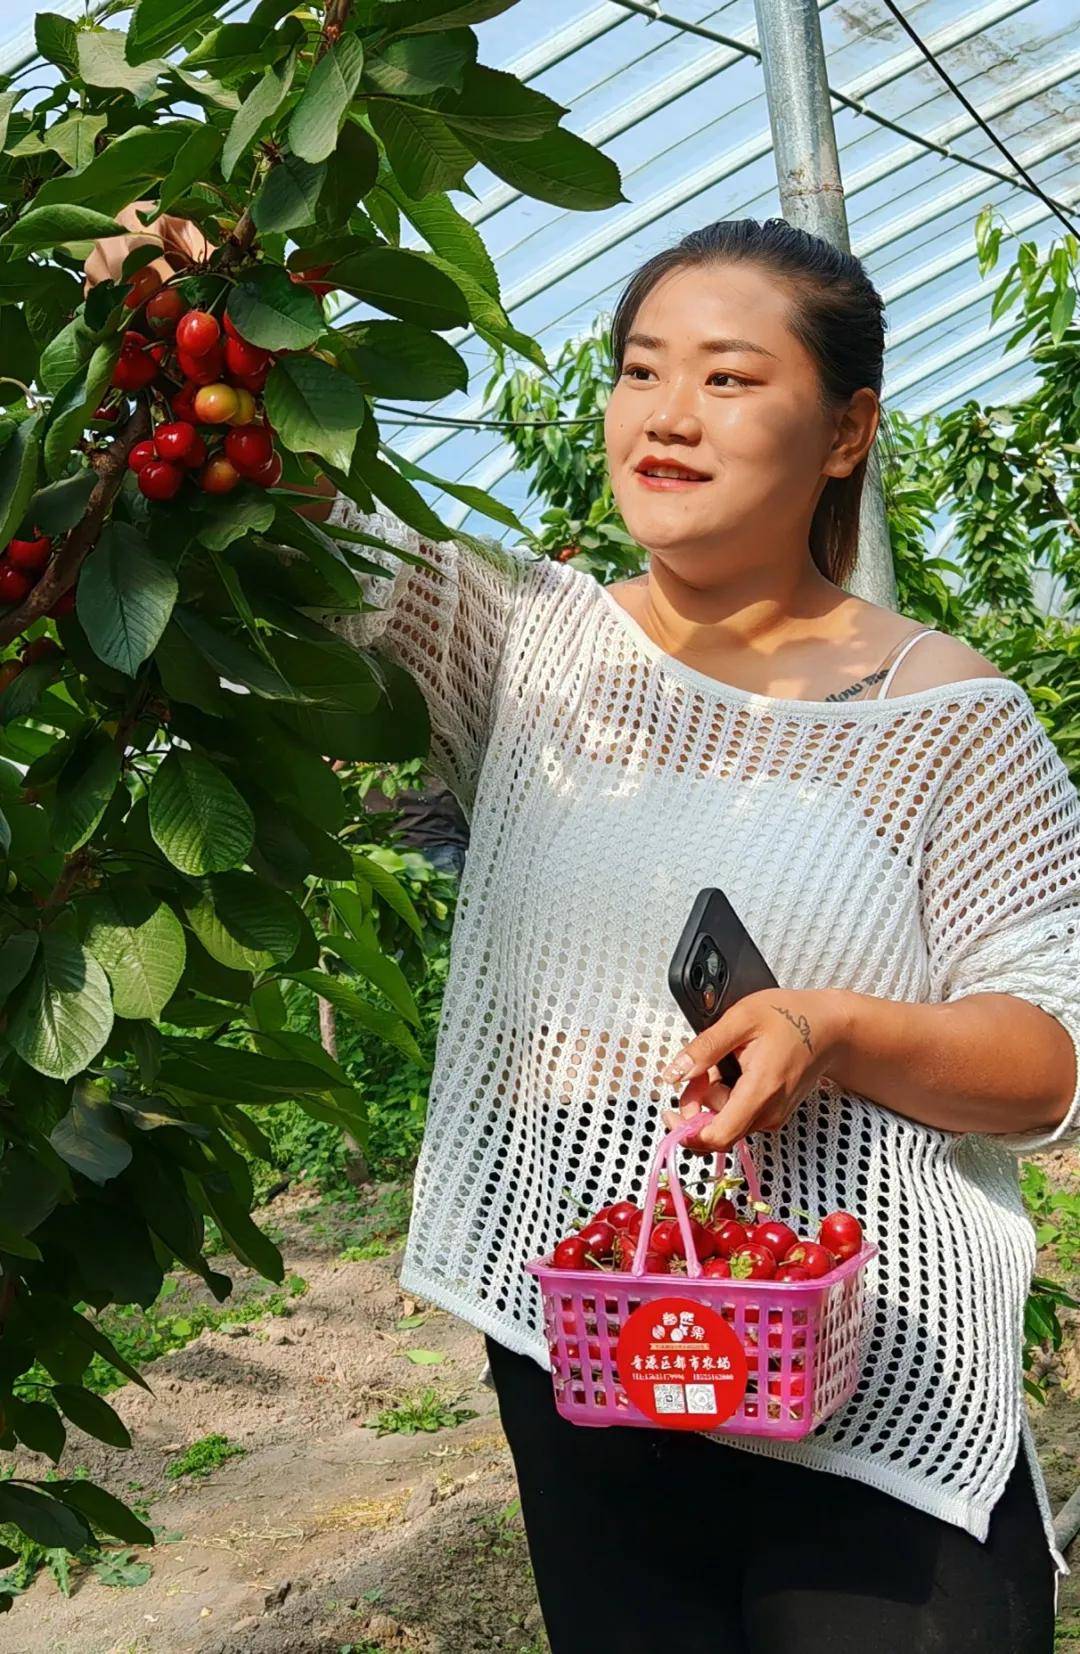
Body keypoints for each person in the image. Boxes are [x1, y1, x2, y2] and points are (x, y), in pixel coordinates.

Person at [93, 214, 1078, 1649]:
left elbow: (1045, 1062)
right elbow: (310, 522)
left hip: (873, 1378)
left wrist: (827, 1026)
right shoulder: (528, 643)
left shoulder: (947, 719)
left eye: (730, 378)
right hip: (596, 1354)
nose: (668, 415)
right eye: (640, 371)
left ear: (847, 431)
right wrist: (192, 312)